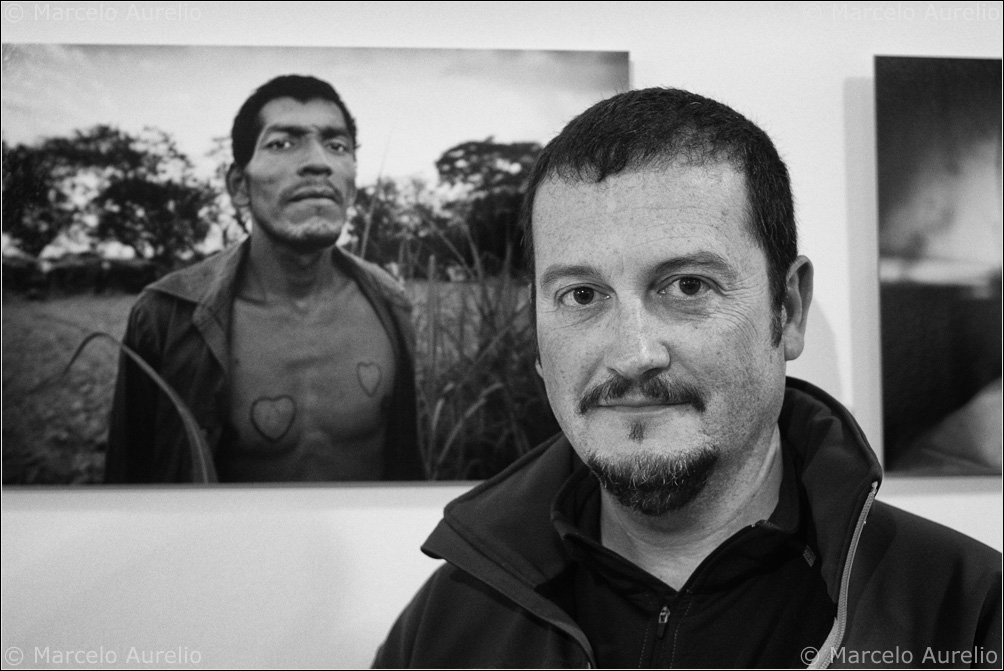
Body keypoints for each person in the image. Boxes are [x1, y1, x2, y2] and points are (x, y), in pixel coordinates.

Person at [374, 88, 1001, 667]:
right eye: (582, 294)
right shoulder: (444, 626)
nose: (634, 353)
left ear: (787, 310)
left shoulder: (967, 617)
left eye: (687, 286)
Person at [106, 75, 423, 483]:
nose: (319, 162)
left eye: (337, 145)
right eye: (282, 143)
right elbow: (126, 484)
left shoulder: (391, 305)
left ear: (353, 181)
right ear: (239, 185)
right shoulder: (166, 316)